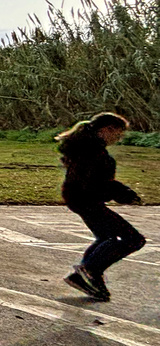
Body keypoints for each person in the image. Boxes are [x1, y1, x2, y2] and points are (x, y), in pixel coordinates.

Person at [57, 112, 145, 301]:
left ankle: (87, 274)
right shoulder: (91, 151)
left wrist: (119, 192)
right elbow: (95, 183)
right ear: (106, 129)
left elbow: (97, 181)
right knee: (133, 239)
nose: (118, 138)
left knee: (106, 237)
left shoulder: (87, 146)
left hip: (80, 199)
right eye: (118, 134)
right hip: (86, 200)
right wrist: (122, 193)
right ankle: (89, 271)